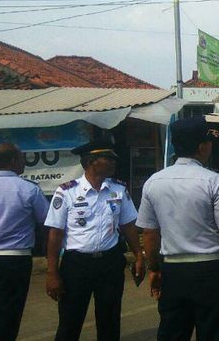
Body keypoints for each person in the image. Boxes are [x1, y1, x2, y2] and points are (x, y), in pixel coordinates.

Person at [136, 117, 219, 341]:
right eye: (209, 143)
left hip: (173, 271)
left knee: (172, 332)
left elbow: (150, 234)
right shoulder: (214, 181)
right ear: (202, 147)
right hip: (208, 271)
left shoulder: (154, 182)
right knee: (211, 332)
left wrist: (154, 269)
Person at [44, 136, 145, 341]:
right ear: (91, 162)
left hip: (110, 262)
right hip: (76, 265)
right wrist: (52, 272)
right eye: (108, 158)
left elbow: (128, 226)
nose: (114, 162)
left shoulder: (118, 189)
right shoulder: (67, 192)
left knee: (109, 321)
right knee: (70, 321)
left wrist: (139, 256)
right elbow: (55, 234)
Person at [0, 143, 49, 341]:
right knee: (9, 312)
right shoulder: (28, 189)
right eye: (22, 157)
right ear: (13, 161)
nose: (24, 161)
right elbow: (46, 222)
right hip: (14, 259)